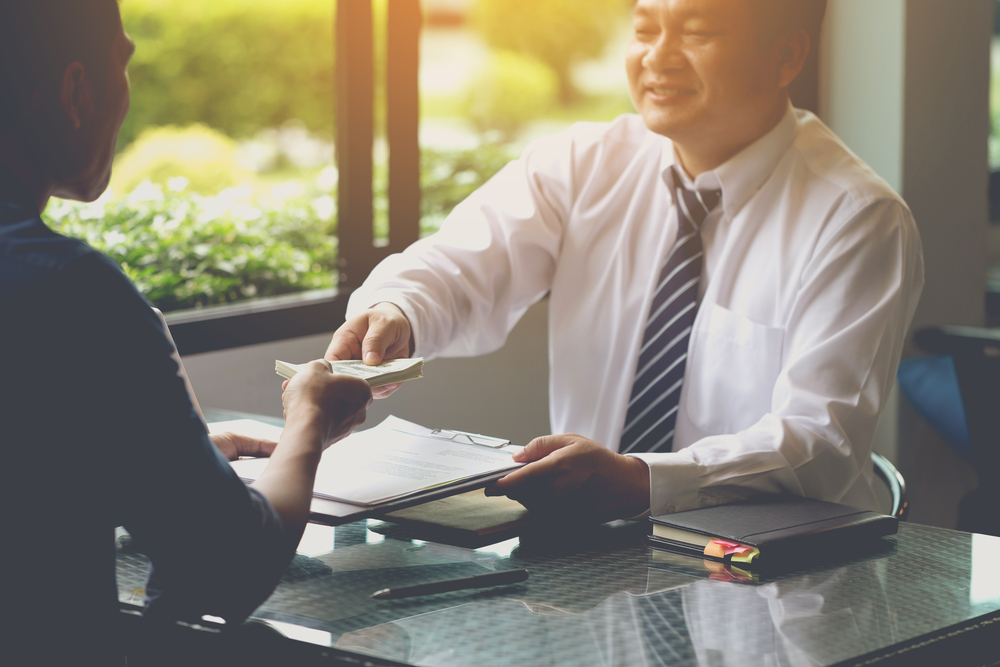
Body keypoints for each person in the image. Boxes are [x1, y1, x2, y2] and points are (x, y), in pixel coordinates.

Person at [327, 0, 924, 521]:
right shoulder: (582, 164)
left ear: (787, 55)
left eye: (696, 32)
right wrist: (397, 309)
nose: (658, 57)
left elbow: (820, 445)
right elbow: (461, 263)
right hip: (592, 560)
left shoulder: (856, 218)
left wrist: (642, 480)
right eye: (643, 30)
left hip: (780, 575)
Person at [0, 1, 372, 663]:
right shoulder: (72, 291)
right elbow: (228, 567)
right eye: (123, 64)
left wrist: (149, 463)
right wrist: (307, 418)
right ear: (76, 91)